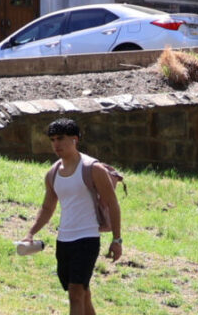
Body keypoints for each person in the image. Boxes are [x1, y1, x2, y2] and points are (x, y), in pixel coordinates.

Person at [22, 117, 122, 315]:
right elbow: (47, 207)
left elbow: (113, 204)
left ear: (75, 139)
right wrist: (31, 233)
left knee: (75, 292)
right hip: (64, 241)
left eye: (60, 138)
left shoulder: (93, 169)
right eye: (52, 140)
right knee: (82, 292)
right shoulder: (52, 173)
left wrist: (117, 239)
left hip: (87, 239)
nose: (56, 144)